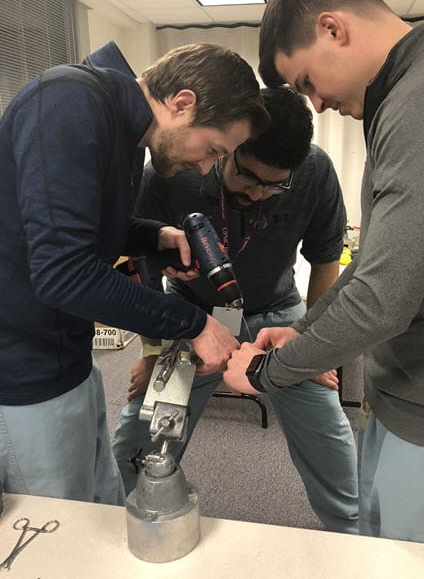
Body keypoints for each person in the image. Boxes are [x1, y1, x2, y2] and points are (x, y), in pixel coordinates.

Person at [223, 0, 424, 550]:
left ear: (333, 28)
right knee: (375, 562)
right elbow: (375, 265)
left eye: (305, 82)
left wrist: (268, 372)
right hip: (410, 405)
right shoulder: (410, 92)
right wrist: (303, 332)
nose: (317, 104)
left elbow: (381, 300)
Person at [0, 41, 268, 505]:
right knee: (58, 527)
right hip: (23, 370)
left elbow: (77, 231)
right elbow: (64, 271)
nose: (205, 166)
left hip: (66, 354)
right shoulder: (68, 103)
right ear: (182, 103)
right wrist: (194, 325)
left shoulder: (125, 133)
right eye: (212, 149)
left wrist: (154, 237)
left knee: (100, 503)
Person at [112, 86, 359, 533]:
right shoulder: (172, 173)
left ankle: (355, 534)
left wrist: (314, 346)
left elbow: (325, 263)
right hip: (192, 315)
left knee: (330, 436)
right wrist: (151, 351)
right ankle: (117, 519)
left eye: (274, 184)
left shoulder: (314, 170)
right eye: (248, 178)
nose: (259, 193)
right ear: (229, 146)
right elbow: (140, 266)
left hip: (280, 316)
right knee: (142, 430)